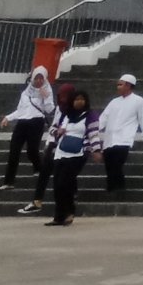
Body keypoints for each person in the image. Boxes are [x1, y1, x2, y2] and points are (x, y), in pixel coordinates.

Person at [0, 65, 56, 191]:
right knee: (14, 150)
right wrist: (8, 118)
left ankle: (39, 168)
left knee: (32, 150)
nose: (39, 81)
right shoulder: (26, 92)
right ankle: (8, 181)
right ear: (33, 78)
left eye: (42, 78)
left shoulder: (47, 90)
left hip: (36, 122)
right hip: (22, 122)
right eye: (37, 78)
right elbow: (20, 110)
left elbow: (50, 109)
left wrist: (45, 97)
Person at [44, 90, 96, 228]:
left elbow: (93, 133)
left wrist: (96, 150)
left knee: (65, 183)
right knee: (57, 185)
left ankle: (69, 212)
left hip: (78, 153)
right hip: (61, 152)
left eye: (82, 99)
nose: (79, 102)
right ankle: (59, 216)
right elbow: (52, 128)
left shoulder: (90, 116)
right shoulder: (65, 115)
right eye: (76, 99)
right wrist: (57, 132)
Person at [96, 73, 143, 194]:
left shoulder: (138, 101)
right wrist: (95, 130)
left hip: (124, 138)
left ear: (128, 85)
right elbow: (104, 117)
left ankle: (119, 188)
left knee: (117, 163)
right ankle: (112, 187)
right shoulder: (114, 102)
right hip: (109, 138)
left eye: (120, 84)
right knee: (109, 165)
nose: (118, 87)